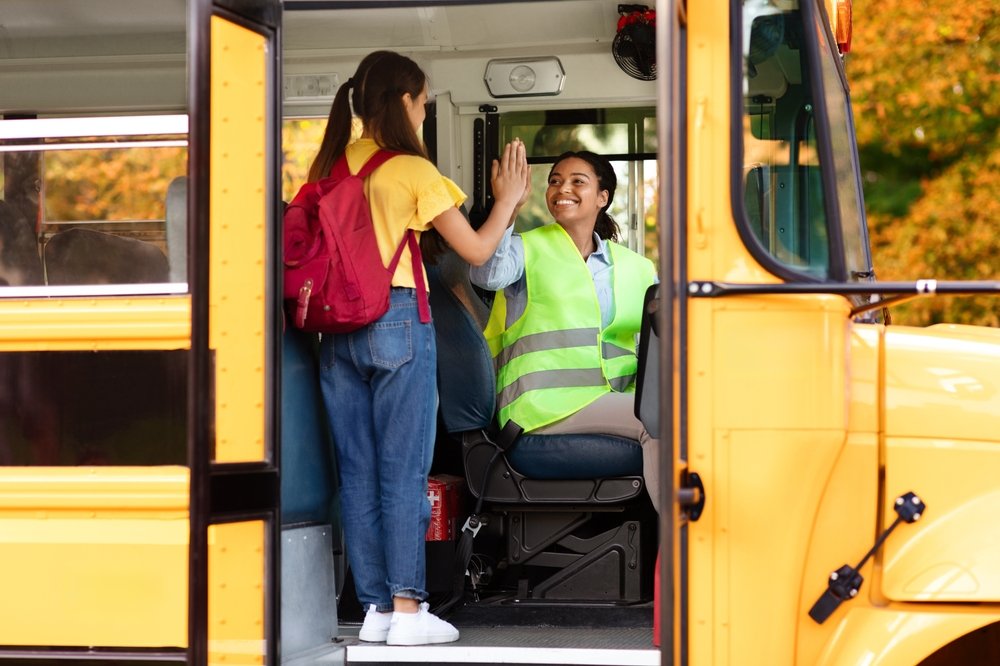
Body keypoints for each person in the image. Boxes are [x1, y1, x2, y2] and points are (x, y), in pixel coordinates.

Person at [310, 50, 528, 646]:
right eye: (426, 101)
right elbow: (478, 252)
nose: (426, 111)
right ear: (404, 102)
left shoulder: (330, 165)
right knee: (403, 472)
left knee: (356, 473)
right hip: (397, 321)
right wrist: (506, 199)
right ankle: (409, 609)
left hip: (336, 335)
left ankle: (377, 606)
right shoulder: (411, 170)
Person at [469, 150, 660, 511]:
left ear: (603, 198)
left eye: (577, 181)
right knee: (661, 422)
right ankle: (681, 554)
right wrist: (508, 205)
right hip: (541, 410)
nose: (562, 189)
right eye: (554, 181)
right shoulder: (525, 249)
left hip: (609, 403)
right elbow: (486, 273)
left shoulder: (637, 268)